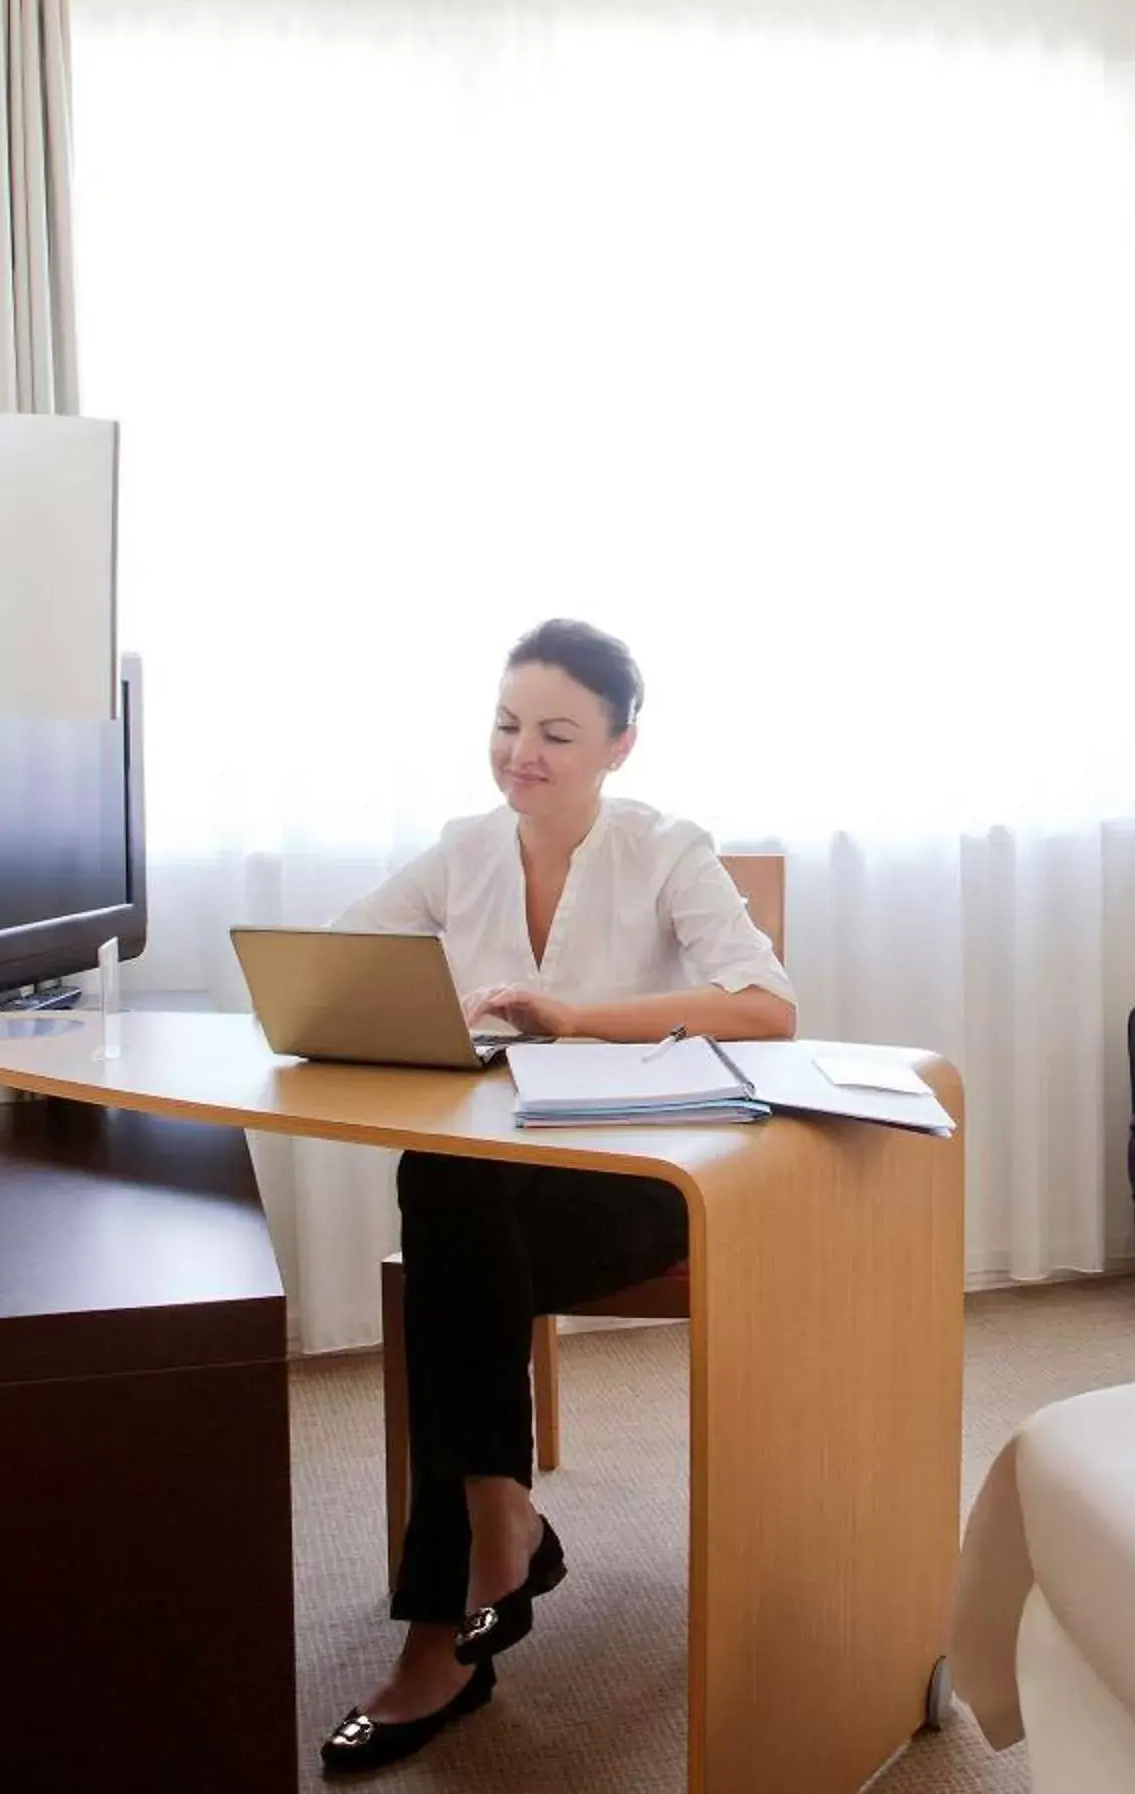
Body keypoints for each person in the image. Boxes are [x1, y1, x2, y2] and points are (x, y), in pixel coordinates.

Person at [317, 618, 797, 1776]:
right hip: (495, 1197)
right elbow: (333, 958)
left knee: (446, 1246)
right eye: (506, 724)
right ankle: (496, 1531)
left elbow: (765, 1006)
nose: (520, 753)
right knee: (447, 1193)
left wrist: (575, 1016)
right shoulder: (463, 848)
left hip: (643, 1186)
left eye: (555, 733)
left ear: (620, 746)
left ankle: (453, 1622)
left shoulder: (668, 848)